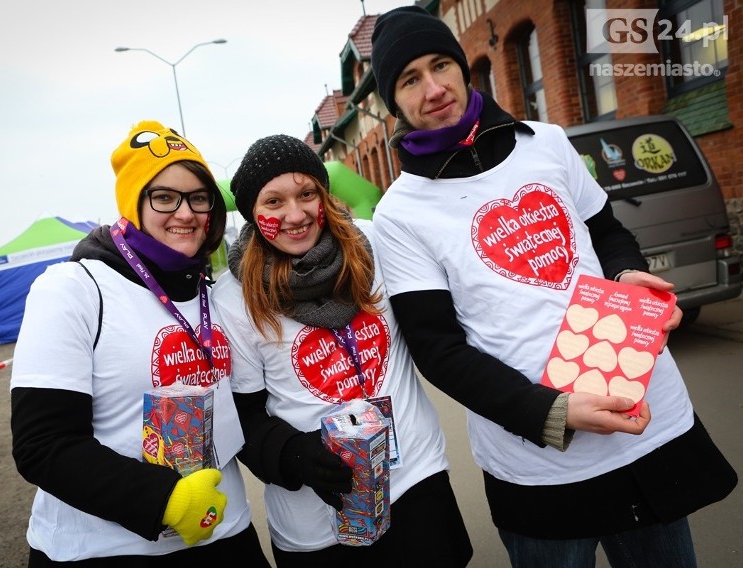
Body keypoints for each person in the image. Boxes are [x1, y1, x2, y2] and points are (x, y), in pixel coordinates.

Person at [368, 6, 737, 568]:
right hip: (538, 457)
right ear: (394, 102)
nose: (434, 88)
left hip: (638, 405)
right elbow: (437, 349)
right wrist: (549, 411)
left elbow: (607, 231)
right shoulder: (401, 213)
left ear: (463, 68)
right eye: (409, 79)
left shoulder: (546, 142)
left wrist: (625, 272)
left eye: (441, 64)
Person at [10, 120, 271, 567]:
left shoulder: (215, 293)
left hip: (225, 533)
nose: (185, 213)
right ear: (134, 204)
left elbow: (242, 413)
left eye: (198, 197)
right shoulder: (74, 288)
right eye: (164, 197)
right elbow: (43, 444)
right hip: (107, 549)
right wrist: (164, 499)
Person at [212, 134, 473, 567]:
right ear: (253, 215)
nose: (295, 215)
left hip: (416, 484)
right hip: (319, 519)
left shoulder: (375, 247)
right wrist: (295, 455)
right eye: (274, 202)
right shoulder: (233, 297)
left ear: (324, 196)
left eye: (306, 194)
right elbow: (242, 415)